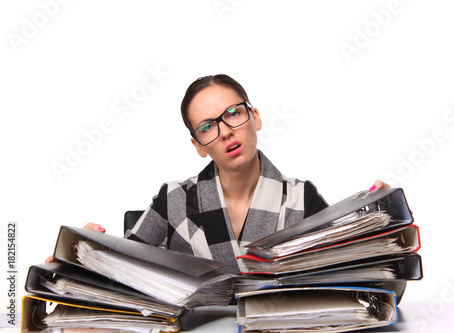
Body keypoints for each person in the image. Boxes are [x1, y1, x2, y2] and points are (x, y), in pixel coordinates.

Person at [51, 74, 390, 274]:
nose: (226, 131)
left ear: (254, 117)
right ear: (198, 144)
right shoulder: (173, 200)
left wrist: (380, 228)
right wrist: (83, 256)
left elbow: (344, 272)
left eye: (233, 114)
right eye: (207, 126)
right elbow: (126, 272)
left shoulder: (303, 198)